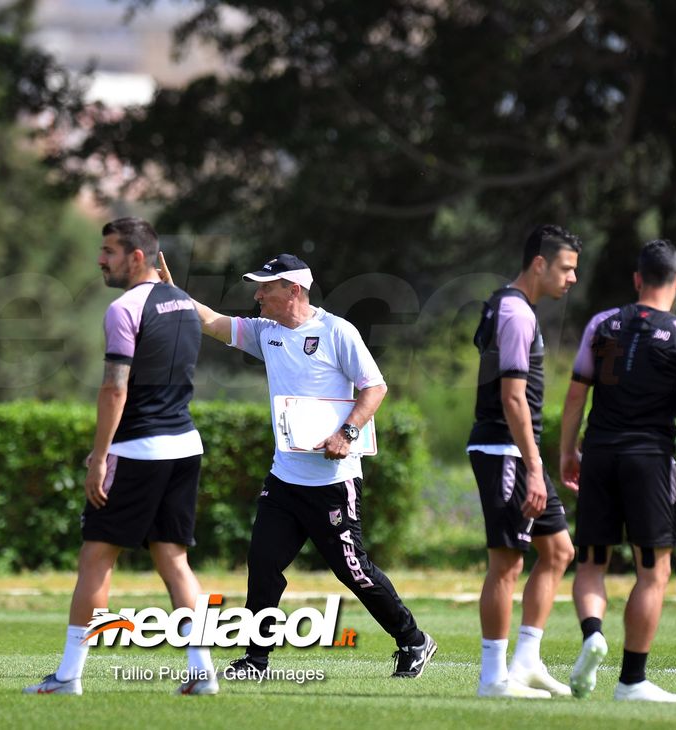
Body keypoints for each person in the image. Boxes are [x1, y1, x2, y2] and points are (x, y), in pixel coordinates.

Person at [158, 251, 437, 682]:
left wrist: (346, 435)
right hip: (284, 480)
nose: (258, 295)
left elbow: (375, 387)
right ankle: (256, 660)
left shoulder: (336, 331)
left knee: (354, 570)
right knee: (263, 564)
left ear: (294, 290)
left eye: (266, 288)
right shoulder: (266, 332)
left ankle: (413, 639)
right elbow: (213, 322)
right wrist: (175, 295)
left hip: (332, 483)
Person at [24, 218, 216, 696]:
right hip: (185, 446)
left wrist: (99, 456)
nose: (100, 259)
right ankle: (201, 672)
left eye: (109, 251)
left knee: (96, 558)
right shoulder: (186, 305)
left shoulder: (123, 309)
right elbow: (170, 305)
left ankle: (68, 676)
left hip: (138, 450)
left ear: (137, 256)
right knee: (173, 559)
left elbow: (114, 388)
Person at [560, 239, 676, 703]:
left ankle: (592, 634)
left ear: (637, 279)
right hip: (650, 462)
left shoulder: (601, 325)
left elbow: (575, 396)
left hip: (601, 456)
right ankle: (631, 681)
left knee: (591, 563)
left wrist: (568, 451)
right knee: (653, 572)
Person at [466, 224, 581, 698]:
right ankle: (493, 678)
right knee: (507, 563)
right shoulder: (514, 312)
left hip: (514, 451)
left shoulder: (508, 305)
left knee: (558, 552)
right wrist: (535, 466)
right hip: (505, 451)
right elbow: (513, 398)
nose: (572, 278)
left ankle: (527, 662)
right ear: (540, 263)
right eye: (566, 268)